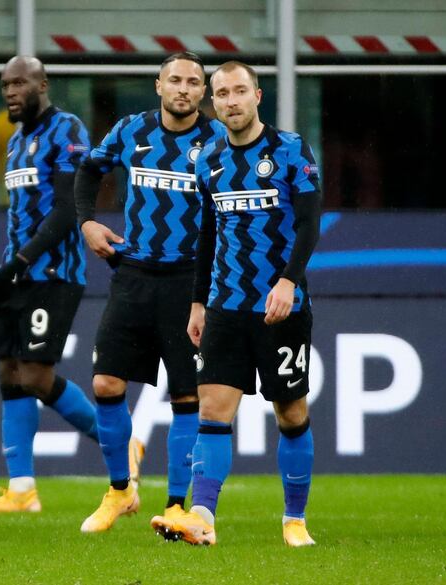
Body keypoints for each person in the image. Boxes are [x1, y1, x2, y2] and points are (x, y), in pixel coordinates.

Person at [151, 61, 321, 547]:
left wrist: (288, 282)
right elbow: (208, 233)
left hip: (281, 307)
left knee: (290, 414)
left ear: (257, 96)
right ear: (214, 101)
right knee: (213, 409)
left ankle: (294, 519)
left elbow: (310, 223)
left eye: (239, 91)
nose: (230, 101)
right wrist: (198, 302)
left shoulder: (290, 151)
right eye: (222, 93)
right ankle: (202, 515)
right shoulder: (208, 158)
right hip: (226, 304)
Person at [74, 52, 226, 533]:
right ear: (158, 85)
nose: (184, 88)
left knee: (187, 398)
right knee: (105, 385)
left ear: (203, 92)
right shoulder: (129, 131)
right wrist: (88, 223)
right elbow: (87, 171)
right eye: (175, 80)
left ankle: (178, 504)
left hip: (191, 281)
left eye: (194, 82)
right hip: (134, 275)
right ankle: (121, 491)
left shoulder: (219, 140)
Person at [0, 56, 103, 514]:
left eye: (19, 82)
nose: (9, 91)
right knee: (8, 370)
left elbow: (68, 210)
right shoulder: (18, 139)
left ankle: (120, 442)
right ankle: (21, 488)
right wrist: (10, 265)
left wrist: (22, 260)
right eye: (4, 84)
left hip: (52, 273)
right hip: (17, 272)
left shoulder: (68, 130)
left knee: (35, 375)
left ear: (43, 84)